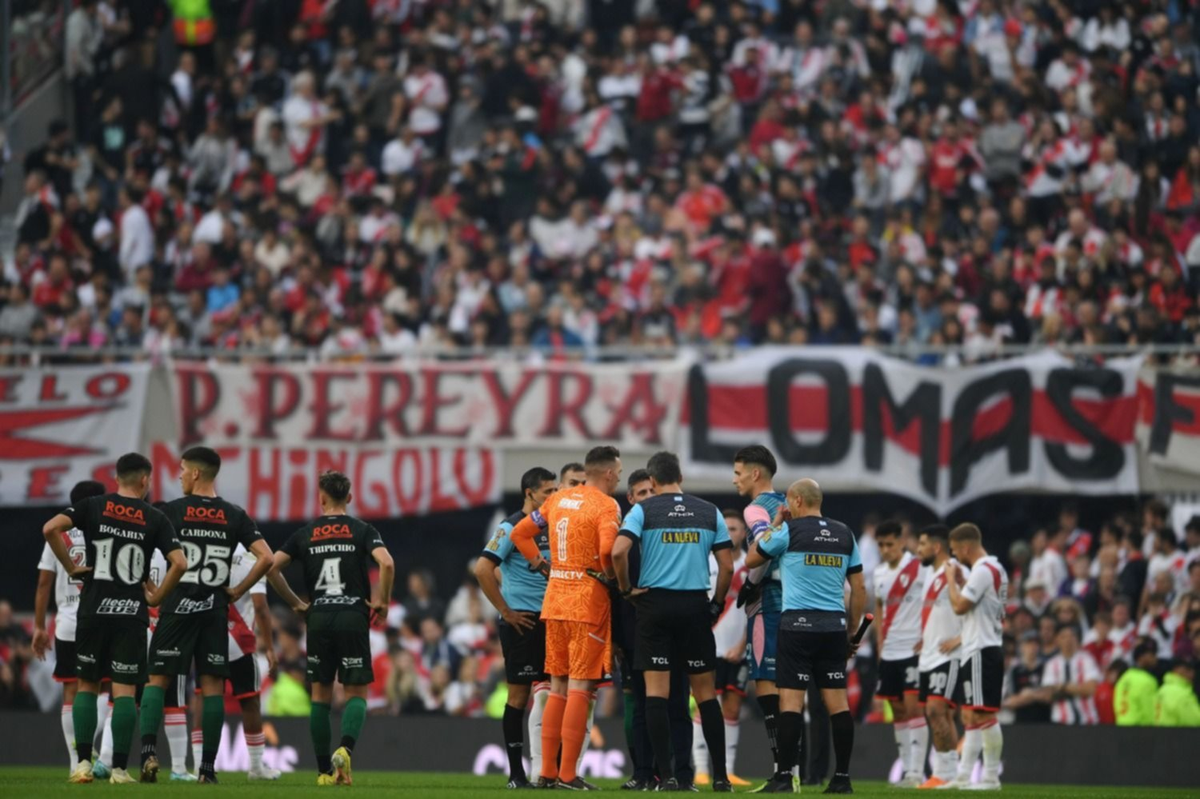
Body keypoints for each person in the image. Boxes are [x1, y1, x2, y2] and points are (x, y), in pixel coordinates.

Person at [41, 453, 188, 785]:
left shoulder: (93, 506)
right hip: (130, 612)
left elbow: (50, 528)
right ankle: (119, 770)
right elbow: (179, 563)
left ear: (116, 477)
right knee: (124, 691)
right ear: (145, 480)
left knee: (87, 685)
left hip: (93, 608)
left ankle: (82, 764)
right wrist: (157, 598)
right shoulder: (154, 517)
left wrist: (70, 567)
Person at [139, 447, 274, 783]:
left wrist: (153, 591)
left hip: (177, 608)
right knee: (213, 687)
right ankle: (208, 770)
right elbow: (267, 558)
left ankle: (148, 754)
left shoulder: (171, 511)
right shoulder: (234, 514)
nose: (180, 475)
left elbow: (142, 551)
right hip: (214, 611)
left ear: (196, 473)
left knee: (158, 680)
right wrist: (238, 590)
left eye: (183, 470)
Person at [613, 451, 734, 792]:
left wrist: (626, 589)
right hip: (694, 606)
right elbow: (727, 566)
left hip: (654, 606)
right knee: (705, 694)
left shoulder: (643, 510)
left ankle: (666, 776)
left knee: (656, 694)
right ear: (680, 476)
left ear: (652, 481)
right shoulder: (709, 511)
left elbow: (618, 551)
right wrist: (716, 604)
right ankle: (721, 778)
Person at [268, 470, 395, 786]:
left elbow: (271, 567)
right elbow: (387, 563)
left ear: (321, 498)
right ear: (349, 497)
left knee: (320, 696)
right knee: (356, 693)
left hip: (319, 617)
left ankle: (324, 772)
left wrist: (296, 603)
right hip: (352, 615)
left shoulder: (305, 533)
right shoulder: (362, 529)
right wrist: (382, 602)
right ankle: (345, 749)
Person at [511, 446, 623, 790]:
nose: (619, 478)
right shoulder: (607, 505)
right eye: (618, 473)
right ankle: (569, 774)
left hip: (555, 600)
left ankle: (546, 772)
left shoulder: (557, 500)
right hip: (587, 602)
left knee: (556, 685)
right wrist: (612, 579)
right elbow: (608, 551)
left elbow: (519, 534)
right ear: (608, 473)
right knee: (580, 686)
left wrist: (543, 565)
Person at [745, 478, 866, 795]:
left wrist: (775, 522)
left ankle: (784, 777)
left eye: (788, 501)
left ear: (797, 500)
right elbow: (859, 588)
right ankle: (842, 778)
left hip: (796, 627)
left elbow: (752, 558)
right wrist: (852, 632)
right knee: (837, 705)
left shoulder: (789, 530)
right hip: (833, 628)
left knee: (791, 704)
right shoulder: (845, 533)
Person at [474, 466, 558, 789]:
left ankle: (551, 771)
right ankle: (516, 774)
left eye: (555, 491)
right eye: (548, 491)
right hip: (523, 621)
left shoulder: (554, 525)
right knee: (519, 696)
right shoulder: (510, 527)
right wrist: (506, 611)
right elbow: (483, 569)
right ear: (529, 493)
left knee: (557, 695)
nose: (553, 496)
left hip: (555, 619)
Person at [32, 480, 109, 774]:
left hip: (67, 622)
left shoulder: (58, 533)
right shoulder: (106, 530)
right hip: (101, 618)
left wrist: (39, 626)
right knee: (106, 687)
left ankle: (76, 762)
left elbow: (43, 583)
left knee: (71, 690)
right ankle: (94, 749)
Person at [187, 540, 281, 780]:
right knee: (250, 701)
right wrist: (270, 647)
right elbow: (260, 606)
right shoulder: (254, 558)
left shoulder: (210, 549)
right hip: (240, 639)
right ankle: (256, 766)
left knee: (203, 697)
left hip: (209, 634)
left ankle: (199, 763)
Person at [729, 445, 792, 787]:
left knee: (767, 685)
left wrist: (751, 583)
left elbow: (764, 550)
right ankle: (791, 772)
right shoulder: (791, 504)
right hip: (798, 601)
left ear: (755, 474)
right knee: (792, 688)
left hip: (769, 601)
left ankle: (783, 772)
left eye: (738, 473)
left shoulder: (755, 509)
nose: (734, 479)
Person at [945, 523, 1009, 791]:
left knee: (983, 715)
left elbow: (960, 606)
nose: (954, 556)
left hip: (983, 648)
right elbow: (981, 604)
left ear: (965, 547)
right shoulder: (993, 569)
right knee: (970, 716)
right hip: (977, 647)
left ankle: (991, 778)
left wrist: (951, 580)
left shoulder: (983, 570)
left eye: (954, 550)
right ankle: (963, 776)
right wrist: (963, 582)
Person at [692, 508, 750, 787]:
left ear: (744, 533)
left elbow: (754, 610)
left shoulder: (751, 565)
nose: (730, 533)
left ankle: (728, 768)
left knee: (732, 708)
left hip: (738, 648)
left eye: (735, 528)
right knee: (705, 705)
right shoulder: (707, 561)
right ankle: (701, 768)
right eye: (725, 528)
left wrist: (743, 644)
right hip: (709, 645)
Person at [872, 520, 928, 786]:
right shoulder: (879, 573)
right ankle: (907, 770)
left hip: (913, 649)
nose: (885, 550)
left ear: (902, 542)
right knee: (897, 710)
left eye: (890, 544)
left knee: (914, 707)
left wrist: (928, 636)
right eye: (881, 545)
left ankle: (917, 772)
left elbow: (933, 602)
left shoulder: (919, 568)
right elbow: (879, 608)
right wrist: (880, 645)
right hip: (890, 651)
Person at [915, 524, 968, 788]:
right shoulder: (930, 574)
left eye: (922, 544)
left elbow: (978, 607)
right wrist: (924, 637)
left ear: (936, 547)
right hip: (929, 654)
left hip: (949, 655)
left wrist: (960, 638)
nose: (918, 549)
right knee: (938, 714)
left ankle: (943, 772)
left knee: (937, 710)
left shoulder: (956, 570)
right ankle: (948, 773)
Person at [1041, 624, 1102, 725]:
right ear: (1057, 640)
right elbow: (1048, 695)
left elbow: (1091, 689)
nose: (1068, 640)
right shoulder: (1051, 664)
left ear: (1076, 639)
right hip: (1061, 721)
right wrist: (1078, 688)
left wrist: (1062, 687)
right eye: (1064, 637)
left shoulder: (1087, 659)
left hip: (1087, 720)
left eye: (1072, 636)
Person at [1114, 641, 1158, 726]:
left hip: (1121, 727)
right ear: (1141, 658)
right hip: (1139, 729)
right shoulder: (1148, 680)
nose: (1155, 658)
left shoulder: (1123, 678)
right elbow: (1149, 713)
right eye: (1151, 655)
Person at [1155, 660, 1200, 726]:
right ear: (1177, 670)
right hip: (1179, 731)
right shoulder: (1183, 694)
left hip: (1159, 730)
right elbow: (1194, 720)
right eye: (1188, 670)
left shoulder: (1162, 690)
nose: (1192, 674)